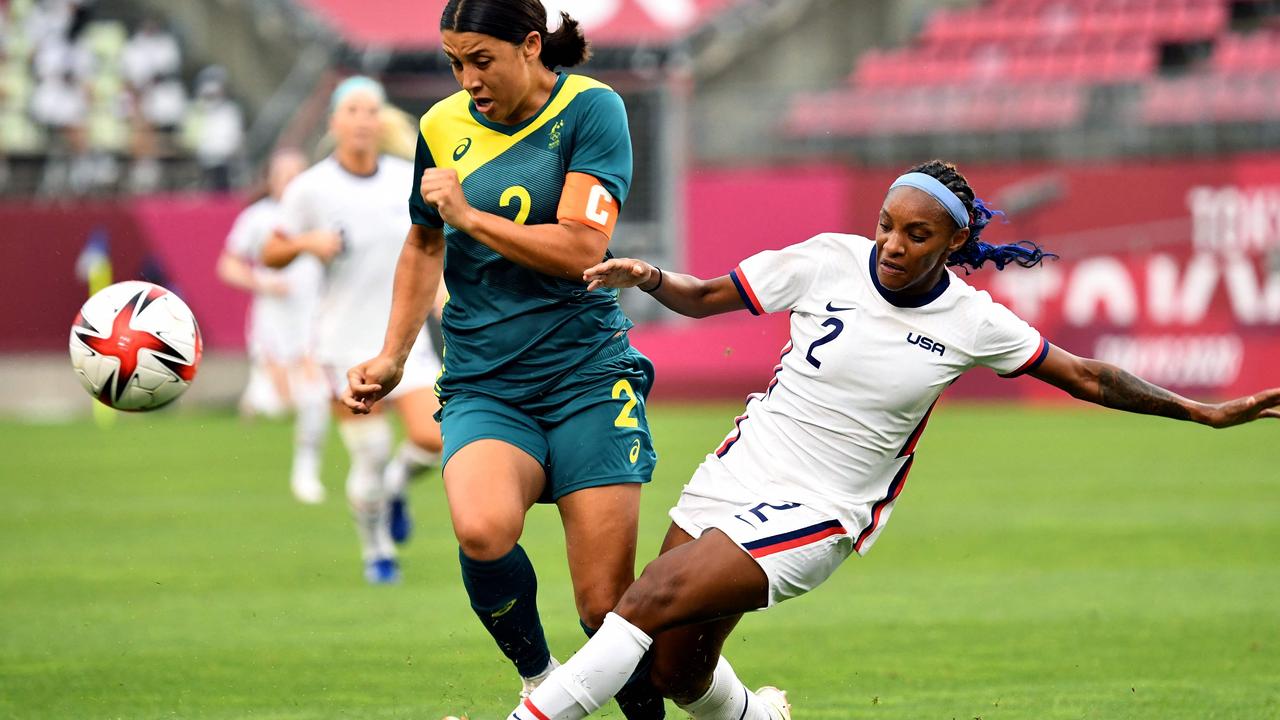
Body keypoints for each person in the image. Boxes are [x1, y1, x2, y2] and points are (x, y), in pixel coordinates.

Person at [507, 160, 1280, 720]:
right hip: (740, 469)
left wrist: (1206, 413)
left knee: (646, 600)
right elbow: (706, 297)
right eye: (887, 225)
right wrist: (650, 278)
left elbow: (1088, 377)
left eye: (917, 234)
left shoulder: (974, 321)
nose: (893, 244)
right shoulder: (826, 260)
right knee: (678, 671)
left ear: (951, 244)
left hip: (823, 508)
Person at [342, 1, 665, 715]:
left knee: (606, 606)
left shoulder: (593, 110)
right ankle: (541, 681)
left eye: (480, 60)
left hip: (587, 375)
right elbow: (425, 243)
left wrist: (471, 218)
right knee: (482, 530)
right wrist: (394, 356)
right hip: (487, 381)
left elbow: (583, 248)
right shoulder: (440, 126)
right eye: (454, 62)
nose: (466, 80)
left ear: (529, 45)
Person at [263, 77, 443, 584]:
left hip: (403, 339)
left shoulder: (404, 178)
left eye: (371, 110)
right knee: (369, 452)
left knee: (435, 439)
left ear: (381, 120)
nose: (363, 119)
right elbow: (270, 252)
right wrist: (306, 243)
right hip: (342, 342)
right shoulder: (310, 188)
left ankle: (395, 489)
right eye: (353, 110)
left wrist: (439, 294)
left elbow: (430, 245)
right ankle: (377, 551)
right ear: (335, 122)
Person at [216, 148, 330, 504]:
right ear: (272, 180)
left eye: (298, 174)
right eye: (284, 175)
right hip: (274, 320)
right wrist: (264, 283)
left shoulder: (321, 215)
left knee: (316, 396)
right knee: (283, 406)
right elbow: (227, 266)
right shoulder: (257, 218)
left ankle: (306, 473)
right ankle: (260, 394)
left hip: (315, 317)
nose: (292, 182)